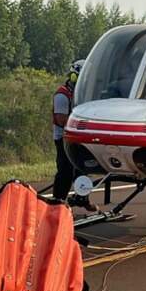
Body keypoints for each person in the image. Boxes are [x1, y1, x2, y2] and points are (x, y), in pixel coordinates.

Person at [52, 61, 84, 201]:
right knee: (65, 171)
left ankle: (82, 198)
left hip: (78, 137)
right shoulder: (62, 95)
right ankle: (57, 201)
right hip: (63, 138)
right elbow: (61, 120)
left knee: (82, 169)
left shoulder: (81, 95)